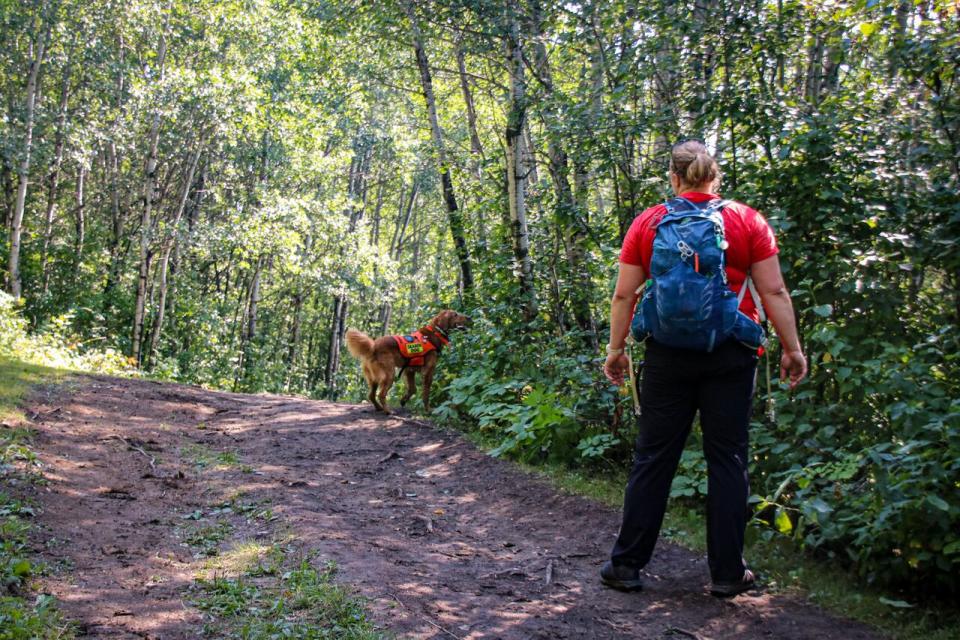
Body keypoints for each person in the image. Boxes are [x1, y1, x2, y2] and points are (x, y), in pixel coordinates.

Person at [600, 139, 807, 597]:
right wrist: (792, 348)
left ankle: (627, 566)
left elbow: (624, 295)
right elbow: (774, 293)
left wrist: (616, 350)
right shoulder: (747, 220)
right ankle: (728, 574)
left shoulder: (650, 222)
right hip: (731, 352)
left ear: (673, 178)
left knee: (654, 458)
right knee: (728, 458)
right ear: (715, 177)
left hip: (667, 355)